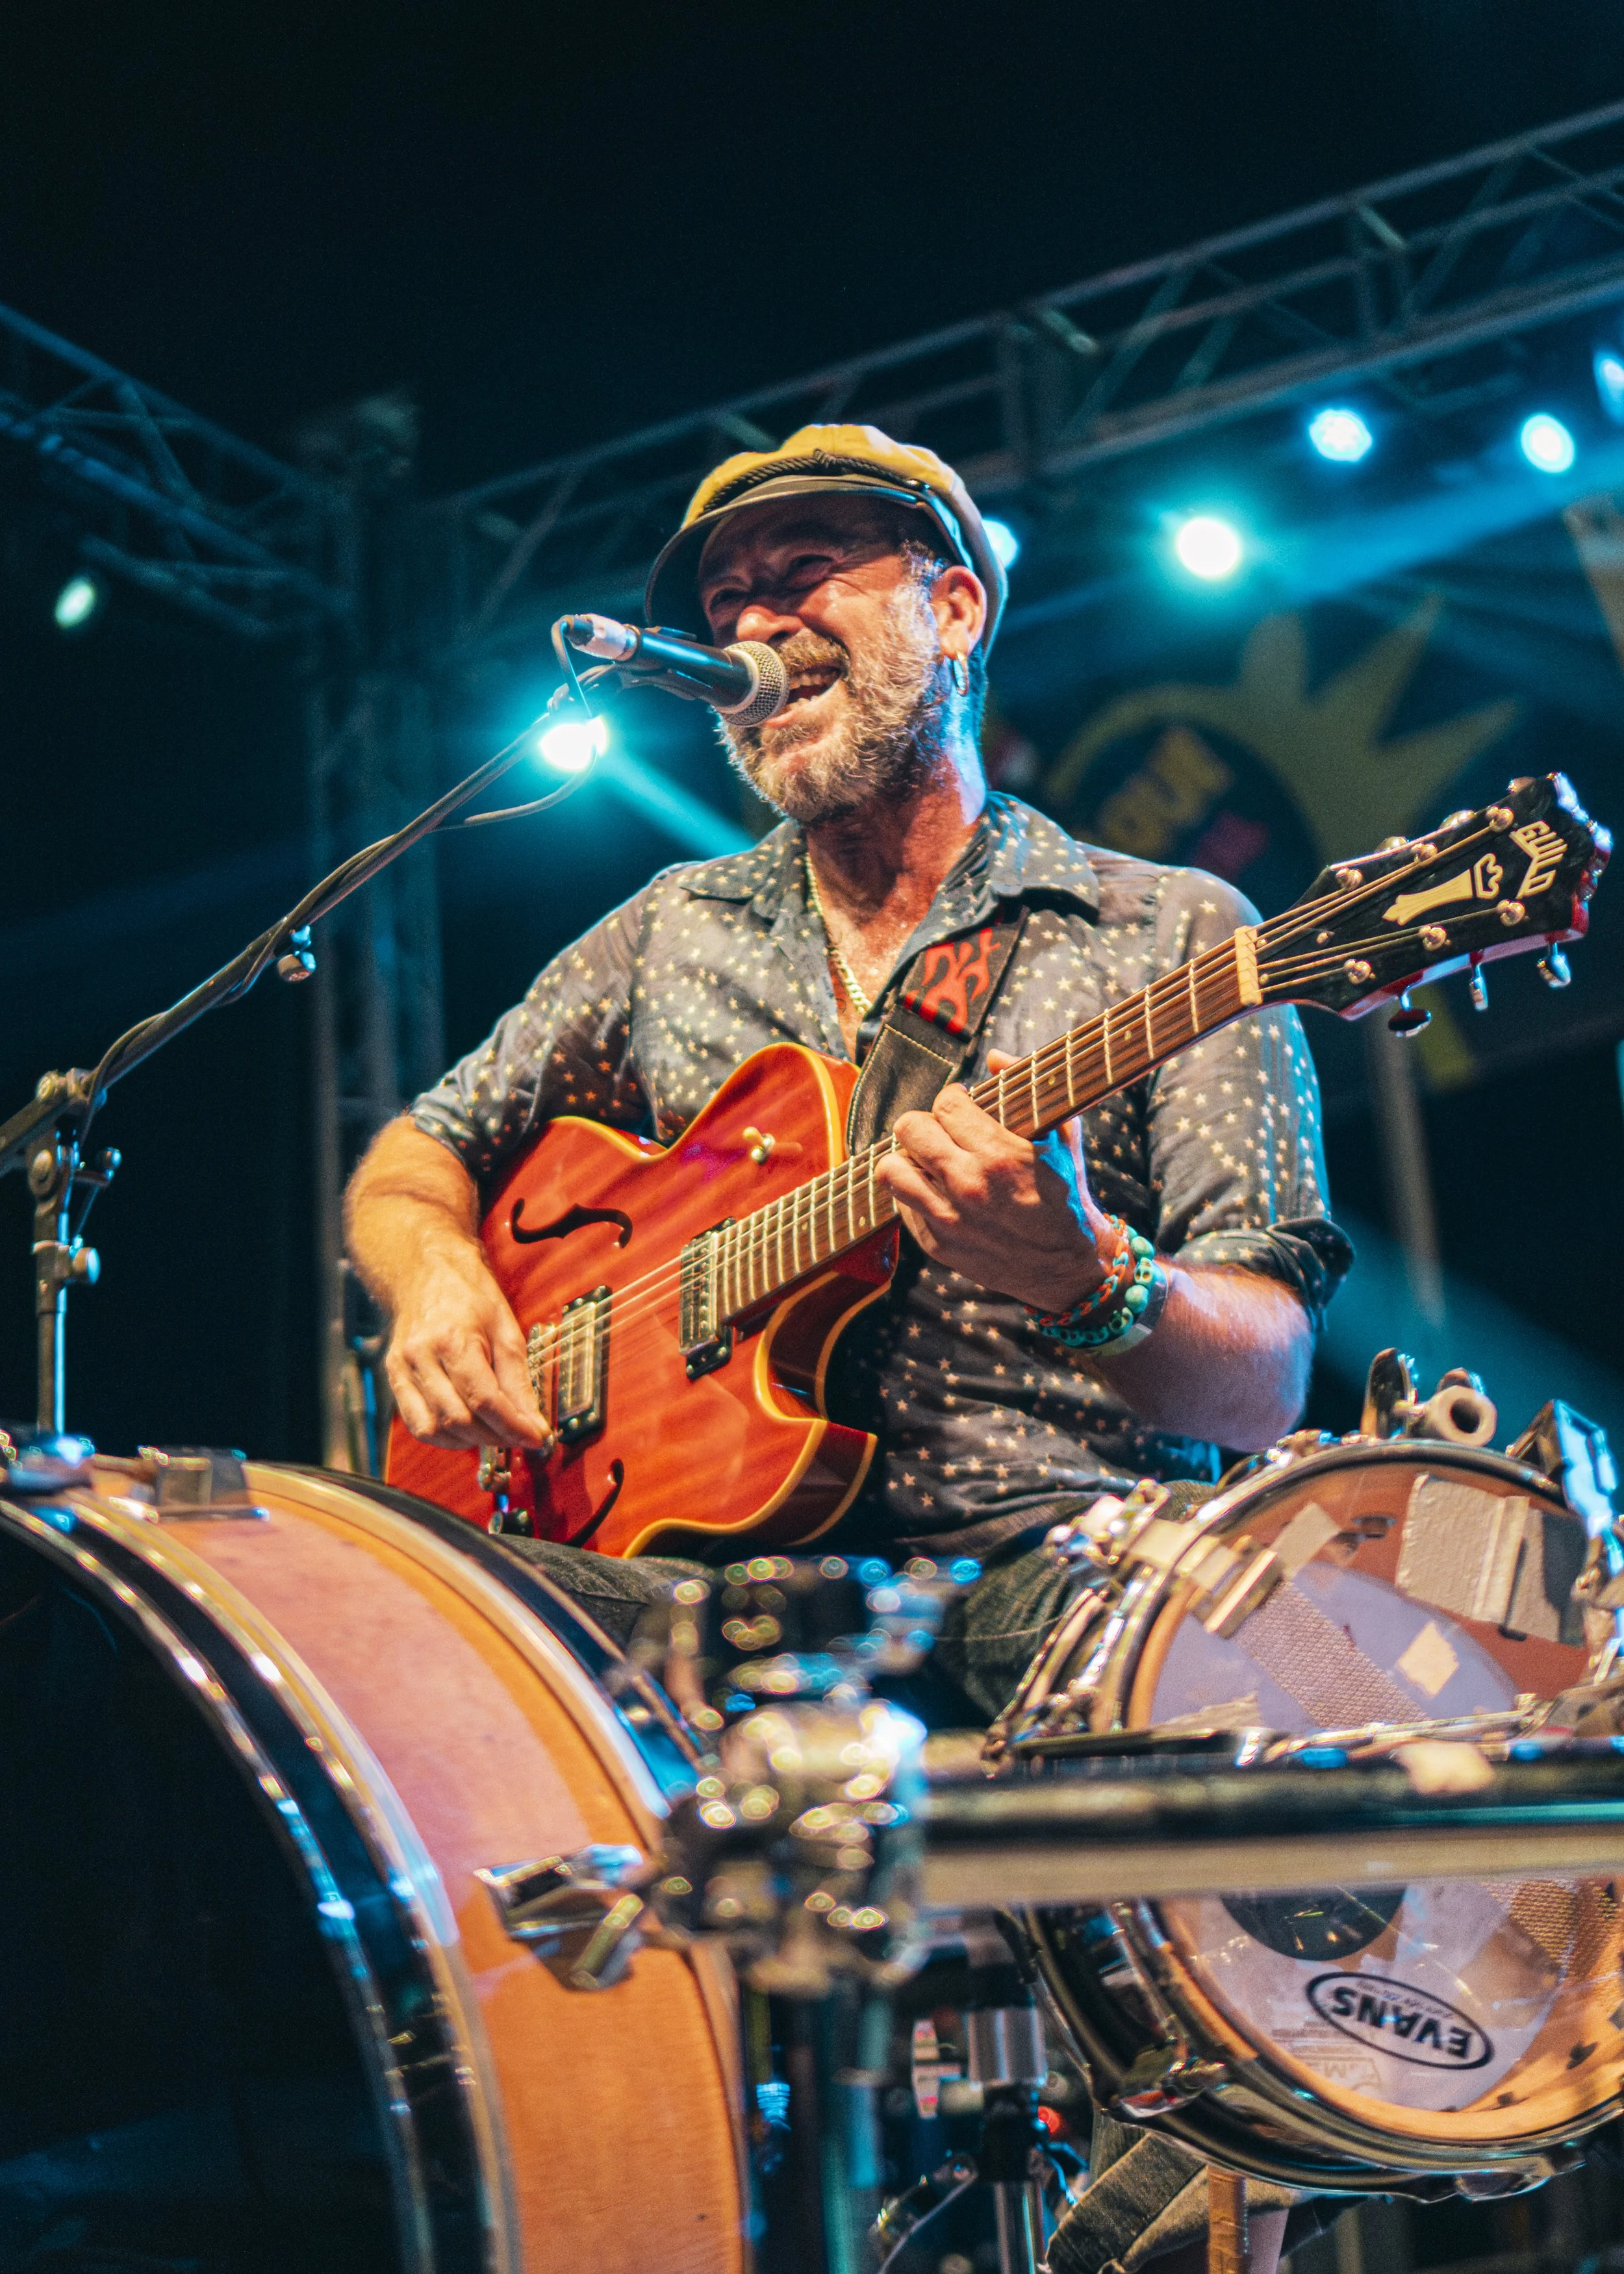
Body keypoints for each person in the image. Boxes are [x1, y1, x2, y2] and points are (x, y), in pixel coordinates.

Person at [346, 422, 1352, 2273]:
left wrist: (1090, 1281)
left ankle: (1159, 2195)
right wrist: (437, 1288)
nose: (754, 613)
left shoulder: (1170, 933)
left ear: (952, 604)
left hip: (1036, 1567)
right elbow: (417, 1153)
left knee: (1239, 1679)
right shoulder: (667, 931)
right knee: (417, 1689)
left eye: (808, 569)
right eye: (729, 592)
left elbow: (1264, 1370)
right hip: (684, 1583)